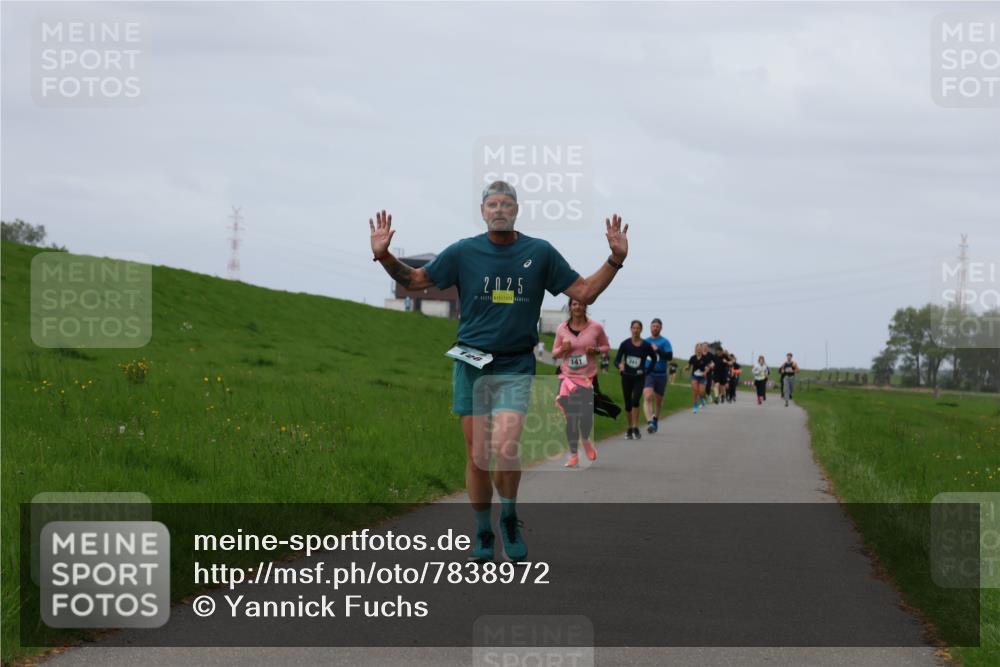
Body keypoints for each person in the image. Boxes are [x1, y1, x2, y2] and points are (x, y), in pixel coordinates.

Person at [369, 180, 629, 562]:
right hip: (472, 362)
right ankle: (483, 531)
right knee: (478, 455)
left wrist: (615, 260)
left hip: (514, 363)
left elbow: (584, 292)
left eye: (506, 204)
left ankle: (508, 516)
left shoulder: (539, 253)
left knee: (506, 447)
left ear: (516, 210)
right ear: (482, 211)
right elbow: (416, 280)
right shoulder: (464, 252)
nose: (499, 209)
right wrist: (384, 255)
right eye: (492, 204)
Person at [552, 297, 609, 468]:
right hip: (568, 378)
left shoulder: (596, 327)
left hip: (587, 378)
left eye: (581, 304)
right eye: (574, 304)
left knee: (586, 417)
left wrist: (596, 350)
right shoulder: (562, 328)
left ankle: (585, 440)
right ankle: (573, 455)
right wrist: (563, 349)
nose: (578, 307)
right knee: (571, 418)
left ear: (586, 306)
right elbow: (554, 353)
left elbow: (606, 346)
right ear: (570, 307)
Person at [614, 321, 657, 439]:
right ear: (631, 329)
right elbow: (616, 360)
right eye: (634, 328)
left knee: (635, 401)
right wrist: (620, 366)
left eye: (638, 328)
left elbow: (654, 358)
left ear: (641, 330)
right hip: (626, 377)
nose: (636, 330)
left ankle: (636, 427)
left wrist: (648, 371)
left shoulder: (646, 345)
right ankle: (629, 428)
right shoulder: (625, 344)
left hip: (639, 378)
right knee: (628, 404)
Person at [643, 318, 673, 433]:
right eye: (653, 326)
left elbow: (669, 356)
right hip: (648, 373)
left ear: (661, 328)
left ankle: (655, 419)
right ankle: (650, 422)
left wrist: (658, 350)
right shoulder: (645, 342)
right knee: (648, 396)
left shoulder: (665, 342)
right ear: (650, 328)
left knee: (659, 400)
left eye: (657, 326)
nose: (655, 328)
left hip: (661, 374)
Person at [684, 343, 712, 414]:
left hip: (703, 377)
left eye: (700, 348)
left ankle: (702, 399)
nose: (699, 349)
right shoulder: (692, 357)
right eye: (698, 347)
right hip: (694, 376)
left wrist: (705, 371)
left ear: (702, 349)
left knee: (701, 392)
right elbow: (689, 365)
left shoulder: (705, 358)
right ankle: (695, 406)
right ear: (696, 349)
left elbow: (709, 366)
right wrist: (686, 368)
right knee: (695, 391)